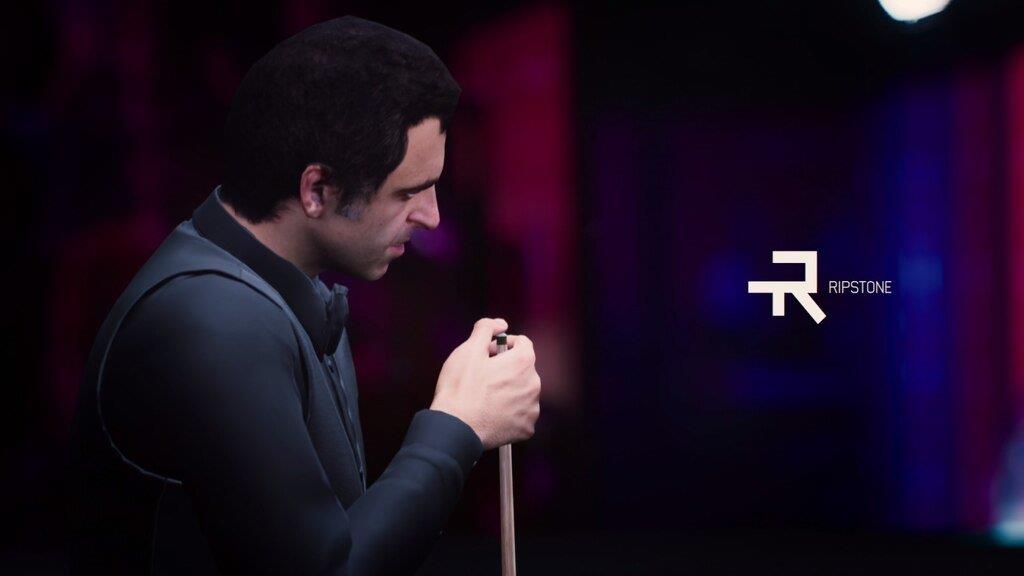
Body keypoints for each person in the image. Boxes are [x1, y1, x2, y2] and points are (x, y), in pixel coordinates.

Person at [69, 16, 541, 575]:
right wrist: (458, 425)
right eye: (408, 193)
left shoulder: (286, 291)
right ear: (316, 189)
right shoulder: (212, 321)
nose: (433, 217)